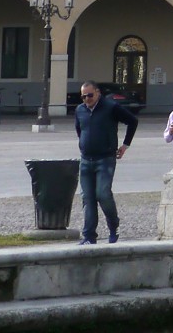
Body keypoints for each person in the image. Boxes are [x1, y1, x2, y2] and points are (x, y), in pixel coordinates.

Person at [71, 80, 139, 244]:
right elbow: (80, 130)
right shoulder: (80, 110)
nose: (86, 99)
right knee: (87, 198)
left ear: (98, 93)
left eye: (89, 95)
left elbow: (132, 121)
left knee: (103, 194)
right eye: (83, 96)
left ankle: (113, 225)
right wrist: (84, 144)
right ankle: (89, 236)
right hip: (86, 159)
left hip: (105, 159)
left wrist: (125, 145)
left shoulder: (111, 107)